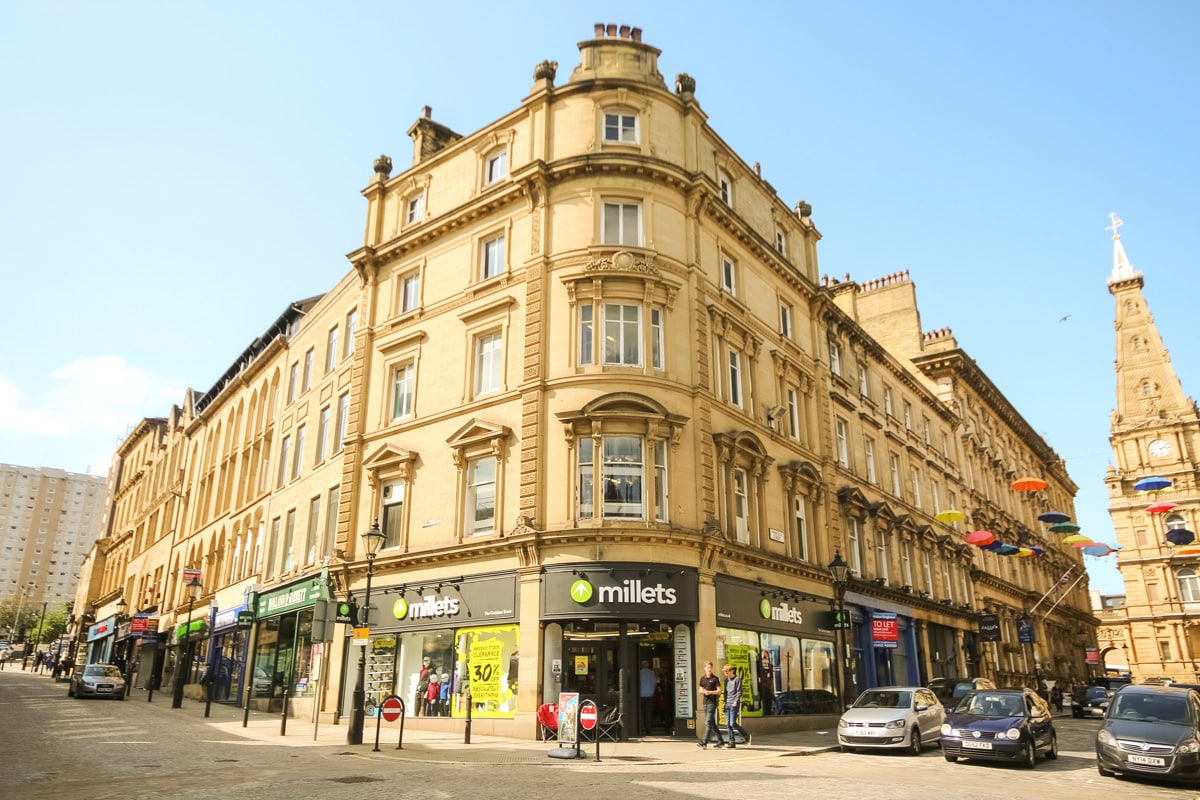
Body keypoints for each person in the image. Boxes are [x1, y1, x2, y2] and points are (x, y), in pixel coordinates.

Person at [696, 660, 725, 749]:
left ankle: (704, 742)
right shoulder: (702, 678)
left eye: (710, 668)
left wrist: (709, 692)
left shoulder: (715, 679)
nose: (709, 669)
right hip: (705, 703)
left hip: (712, 703)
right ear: (705, 668)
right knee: (712, 723)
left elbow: (719, 691)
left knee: (708, 722)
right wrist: (703, 691)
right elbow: (700, 690)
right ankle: (721, 741)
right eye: (708, 668)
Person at [722, 664, 750, 748]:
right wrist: (724, 702)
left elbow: (739, 691)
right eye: (725, 673)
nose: (726, 674)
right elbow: (726, 693)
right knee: (728, 724)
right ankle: (732, 742)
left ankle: (746, 735)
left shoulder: (737, 679)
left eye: (727, 672)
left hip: (734, 703)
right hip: (728, 703)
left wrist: (736, 701)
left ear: (731, 671)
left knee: (732, 723)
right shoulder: (726, 681)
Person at [639, 660, 656, 735]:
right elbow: (655, 683)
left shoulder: (639, 673)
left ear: (641, 665)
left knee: (641, 712)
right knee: (648, 712)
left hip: (640, 695)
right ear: (648, 665)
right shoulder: (652, 673)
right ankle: (648, 729)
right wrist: (652, 691)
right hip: (649, 694)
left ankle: (641, 727)